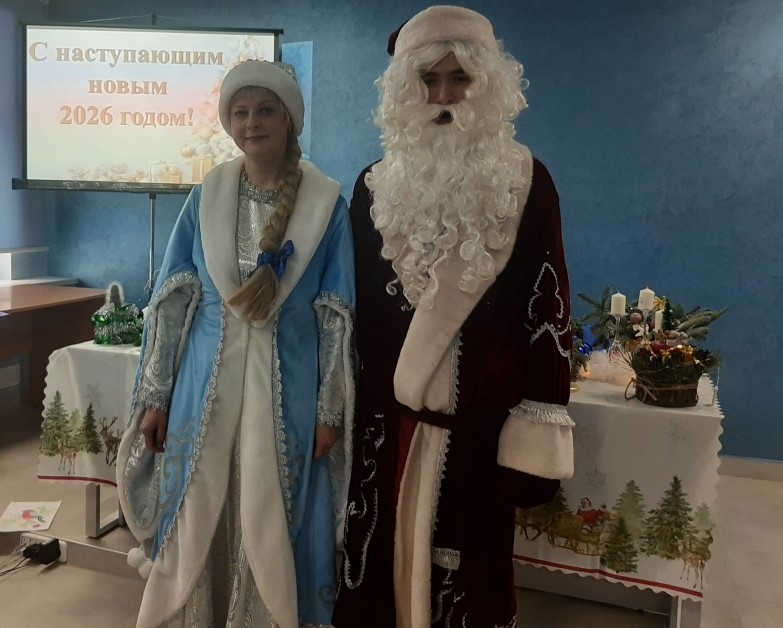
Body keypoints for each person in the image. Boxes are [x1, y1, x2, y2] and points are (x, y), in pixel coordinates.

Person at [332, 6, 574, 627]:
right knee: (376, 577)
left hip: (480, 435)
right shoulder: (371, 187)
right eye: (428, 80)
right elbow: (352, 316)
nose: (443, 98)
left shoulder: (529, 182)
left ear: (486, 85)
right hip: (385, 431)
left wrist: (539, 422)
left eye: (459, 79)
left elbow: (548, 310)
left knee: (468, 587)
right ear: (405, 90)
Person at [116, 60, 356, 628]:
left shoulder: (326, 204)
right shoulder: (208, 195)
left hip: (289, 389)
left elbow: (336, 317)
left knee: (273, 504)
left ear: (289, 119)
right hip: (204, 387)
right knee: (201, 499)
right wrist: (156, 397)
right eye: (241, 112)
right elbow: (173, 300)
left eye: (266, 110)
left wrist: (330, 410)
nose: (252, 123)